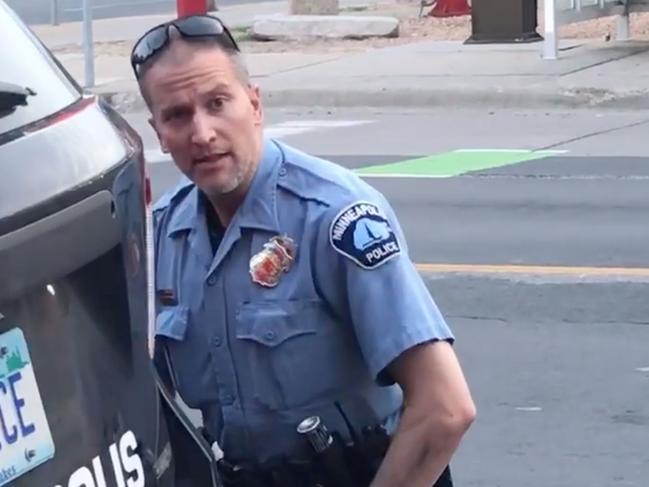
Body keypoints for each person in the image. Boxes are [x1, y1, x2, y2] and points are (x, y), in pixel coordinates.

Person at [130, 14, 476, 487]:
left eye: (217, 103)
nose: (203, 133)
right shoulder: (163, 238)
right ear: (158, 133)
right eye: (177, 115)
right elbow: (148, 408)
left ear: (254, 104)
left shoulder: (335, 216)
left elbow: (445, 408)